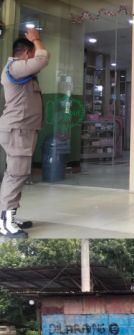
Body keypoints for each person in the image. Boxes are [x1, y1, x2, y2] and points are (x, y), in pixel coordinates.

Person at [0, 29, 49, 238]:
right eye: (33, 51)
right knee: (15, 175)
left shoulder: (22, 72)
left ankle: (9, 217)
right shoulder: (16, 67)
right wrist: (37, 40)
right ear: (27, 53)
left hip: (23, 131)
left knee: (16, 175)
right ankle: (5, 224)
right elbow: (43, 58)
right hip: (17, 131)